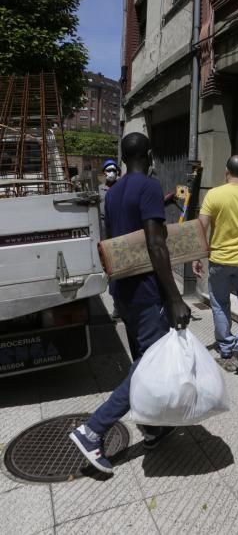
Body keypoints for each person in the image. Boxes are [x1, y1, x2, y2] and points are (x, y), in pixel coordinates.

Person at [69, 132, 191, 474]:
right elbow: (155, 244)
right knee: (149, 364)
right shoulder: (150, 185)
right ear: (150, 155)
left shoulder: (115, 192)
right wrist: (176, 296)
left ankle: (153, 427)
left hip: (122, 290)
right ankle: (94, 429)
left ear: (122, 158)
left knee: (142, 359)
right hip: (146, 292)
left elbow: (118, 241)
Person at [192, 155, 238, 375]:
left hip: (219, 261)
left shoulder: (214, 195)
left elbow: (201, 227)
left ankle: (226, 348)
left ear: (226, 172)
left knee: (220, 303)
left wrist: (197, 256)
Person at [99, 158, 121, 321]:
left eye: (114, 170)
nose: (111, 173)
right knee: (111, 272)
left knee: (121, 271)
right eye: (108, 170)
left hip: (120, 233)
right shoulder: (99, 190)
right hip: (106, 235)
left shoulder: (121, 188)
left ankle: (120, 306)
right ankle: (117, 306)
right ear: (104, 172)